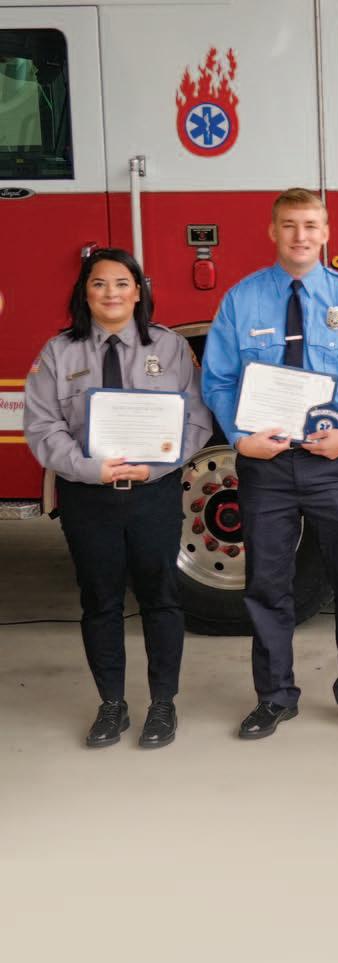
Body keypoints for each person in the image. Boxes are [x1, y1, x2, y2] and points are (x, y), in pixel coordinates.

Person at [201, 187, 338, 740]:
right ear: (273, 231)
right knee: (267, 583)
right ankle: (274, 696)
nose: (300, 236)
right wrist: (240, 440)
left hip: (333, 465)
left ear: (326, 232)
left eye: (311, 225)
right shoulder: (241, 300)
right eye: (289, 225)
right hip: (267, 467)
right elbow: (217, 380)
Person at [23, 247, 213, 749]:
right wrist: (90, 468)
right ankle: (112, 705)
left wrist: (158, 465)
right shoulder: (58, 352)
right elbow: (42, 426)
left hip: (153, 492)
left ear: (138, 292)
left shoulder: (170, 348)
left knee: (161, 597)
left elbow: (196, 419)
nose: (111, 293)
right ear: (84, 293)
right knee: (100, 600)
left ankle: (163, 704)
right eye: (100, 283)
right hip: (88, 497)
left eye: (122, 283)